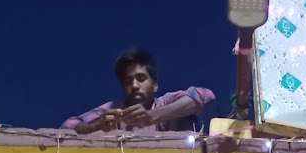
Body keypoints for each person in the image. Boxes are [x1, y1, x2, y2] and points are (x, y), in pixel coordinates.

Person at [62, 49, 216, 135]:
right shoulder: (114, 110)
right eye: (128, 82)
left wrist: (152, 116)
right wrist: (98, 126)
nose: (134, 85)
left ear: (155, 85)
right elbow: (67, 127)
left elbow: (205, 96)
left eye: (141, 78)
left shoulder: (166, 102)